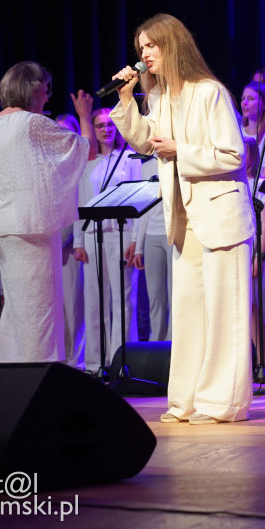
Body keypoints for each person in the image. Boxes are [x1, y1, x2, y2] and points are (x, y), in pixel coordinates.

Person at [110, 13, 255, 424]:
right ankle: (187, 399)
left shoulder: (209, 92)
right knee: (189, 310)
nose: (144, 54)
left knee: (224, 311)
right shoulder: (159, 98)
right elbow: (144, 143)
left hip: (220, 214)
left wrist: (181, 150)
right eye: (140, 48)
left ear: (171, 44)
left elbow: (232, 155)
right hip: (185, 217)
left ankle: (221, 402)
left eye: (150, 46)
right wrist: (126, 101)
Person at [0, 62, 93, 364]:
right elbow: (84, 150)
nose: (48, 96)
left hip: (2, 228)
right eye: (45, 89)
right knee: (40, 310)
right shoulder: (31, 123)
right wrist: (84, 116)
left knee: (14, 310)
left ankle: (8, 376)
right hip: (32, 229)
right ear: (32, 88)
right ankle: (38, 379)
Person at [73, 108, 142, 373]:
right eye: (100, 125)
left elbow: (137, 199)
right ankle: (95, 361)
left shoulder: (128, 158)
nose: (106, 130)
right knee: (94, 299)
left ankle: (122, 360)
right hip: (92, 235)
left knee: (123, 299)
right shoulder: (87, 160)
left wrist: (135, 238)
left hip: (121, 234)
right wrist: (79, 240)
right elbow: (81, 200)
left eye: (110, 125)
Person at [55, 113, 87, 366]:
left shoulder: (80, 162)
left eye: (67, 130)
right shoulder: (48, 161)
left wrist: (76, 240)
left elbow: (81, 202)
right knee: (55, 306)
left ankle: (75, 360)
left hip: (72, 242)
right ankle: (58, 358)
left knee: (74, 306)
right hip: (50, 242)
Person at [132, 154, 172, 341]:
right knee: (155, 296)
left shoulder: (178, 161)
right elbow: (143, 210)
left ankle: (174, 342)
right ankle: (158, 341)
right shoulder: (146, 167)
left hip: (174, 234)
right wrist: (139, 247)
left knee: (175, 294)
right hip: (151, 236)